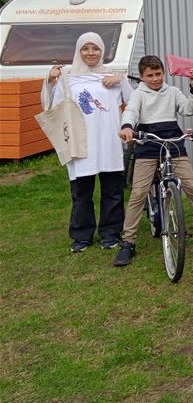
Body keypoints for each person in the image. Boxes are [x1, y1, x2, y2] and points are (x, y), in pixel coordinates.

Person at [114, 56, 193, 266]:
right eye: (150, 75)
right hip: (148, 145)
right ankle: (128, 242)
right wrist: (128, 126)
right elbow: (131, 111)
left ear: (163, 73)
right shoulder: (138, 94)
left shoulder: (172, 92)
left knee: (192, 187)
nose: (155, 79)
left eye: (158, 74)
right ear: (141, 76)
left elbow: (189, 110)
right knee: (138, 192)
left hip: (173, 144)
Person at [42, 32, 131, 252]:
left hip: (109, 142)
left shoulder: (112, 75)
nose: (91, 53)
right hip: (80, 143)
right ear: (78, 51)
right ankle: (82, 235)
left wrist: (122, 80)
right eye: (85, 49)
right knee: (81, 193)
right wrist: (50, 81)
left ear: (102, 51)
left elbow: (133, 101)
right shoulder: (68, 78)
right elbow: (54, 108)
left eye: (95, 49)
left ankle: (111, 233)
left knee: (113, 191)